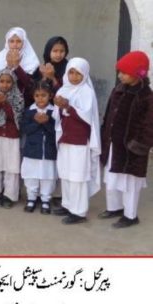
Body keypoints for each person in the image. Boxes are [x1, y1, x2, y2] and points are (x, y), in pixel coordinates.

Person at [99, 51, 153, 228]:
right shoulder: (118, 89)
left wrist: (138, 145)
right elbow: (108, 115)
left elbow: (149, 125)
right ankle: (114, 207)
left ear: (138, 73)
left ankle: (130, 215)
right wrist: (104, 134)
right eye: (119, 72)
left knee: (130, 182)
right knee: (112, 176)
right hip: (114, 144)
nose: (120, 75)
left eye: (124, 72)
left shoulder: (146, 96)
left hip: (131, 149)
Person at [53, 58, 101, 225]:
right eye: (71, 72)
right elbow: (57, 116)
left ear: (84, 74)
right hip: (65, 138)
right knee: (65, 173)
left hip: (79, 140)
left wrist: (67, 107)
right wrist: (59, 107)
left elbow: (86, 116)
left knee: (77, 176)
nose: (74, 77)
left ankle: (79, 211)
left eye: (78, 73)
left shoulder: (86, 91)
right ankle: (67, 204)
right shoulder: (64, 89)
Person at [0, 69, 24, 209]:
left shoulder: (18, 97)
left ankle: (9, 195)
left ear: (13, 83)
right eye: (2, 81)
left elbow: (14, 117)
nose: (5, 85)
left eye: (8, 82)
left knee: (11, 166)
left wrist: (5, 103)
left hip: (11, 136)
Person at [21, 81, 58, 214]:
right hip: (32, 151)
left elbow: (56, 131)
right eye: (37, 95)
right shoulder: (29, 111)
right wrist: (36, 122)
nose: (40, 98)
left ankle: (46, 200)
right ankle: (31, 198)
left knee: (48, 176)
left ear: (50, 96)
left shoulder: (54, 112)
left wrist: (47, 122)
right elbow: (25, 129)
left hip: (48, 151)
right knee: (31, 175)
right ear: (33, 96)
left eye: (44, 95)